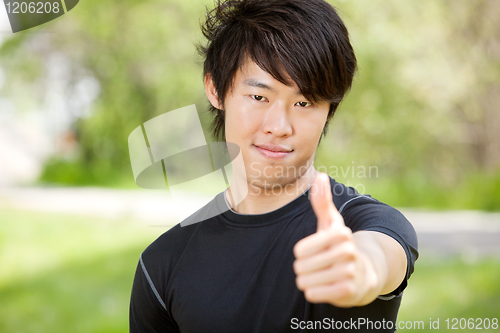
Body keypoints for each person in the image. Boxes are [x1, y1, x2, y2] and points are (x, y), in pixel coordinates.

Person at [129, 0, 418, 332]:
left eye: (303, 102)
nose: (279, 126)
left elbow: (380, 256)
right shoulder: (162, 264)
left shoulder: (362, 224)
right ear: (215, 90)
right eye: (259, 97)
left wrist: (363, 271)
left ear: (329, 109)